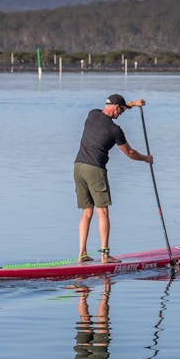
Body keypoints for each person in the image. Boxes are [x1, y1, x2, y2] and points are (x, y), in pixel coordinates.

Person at [74, 94, 153, 263]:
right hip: (95, 169)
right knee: (102, 211)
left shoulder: (92, 114)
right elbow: (130, 153)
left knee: (86, 212)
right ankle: (104, 255)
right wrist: (146, 159)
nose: (121, 114)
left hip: (78, 167)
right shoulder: (115, 130)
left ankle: (82, 253)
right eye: (121, 111)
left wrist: (132, 104)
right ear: (116, 107)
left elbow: (116, 106)